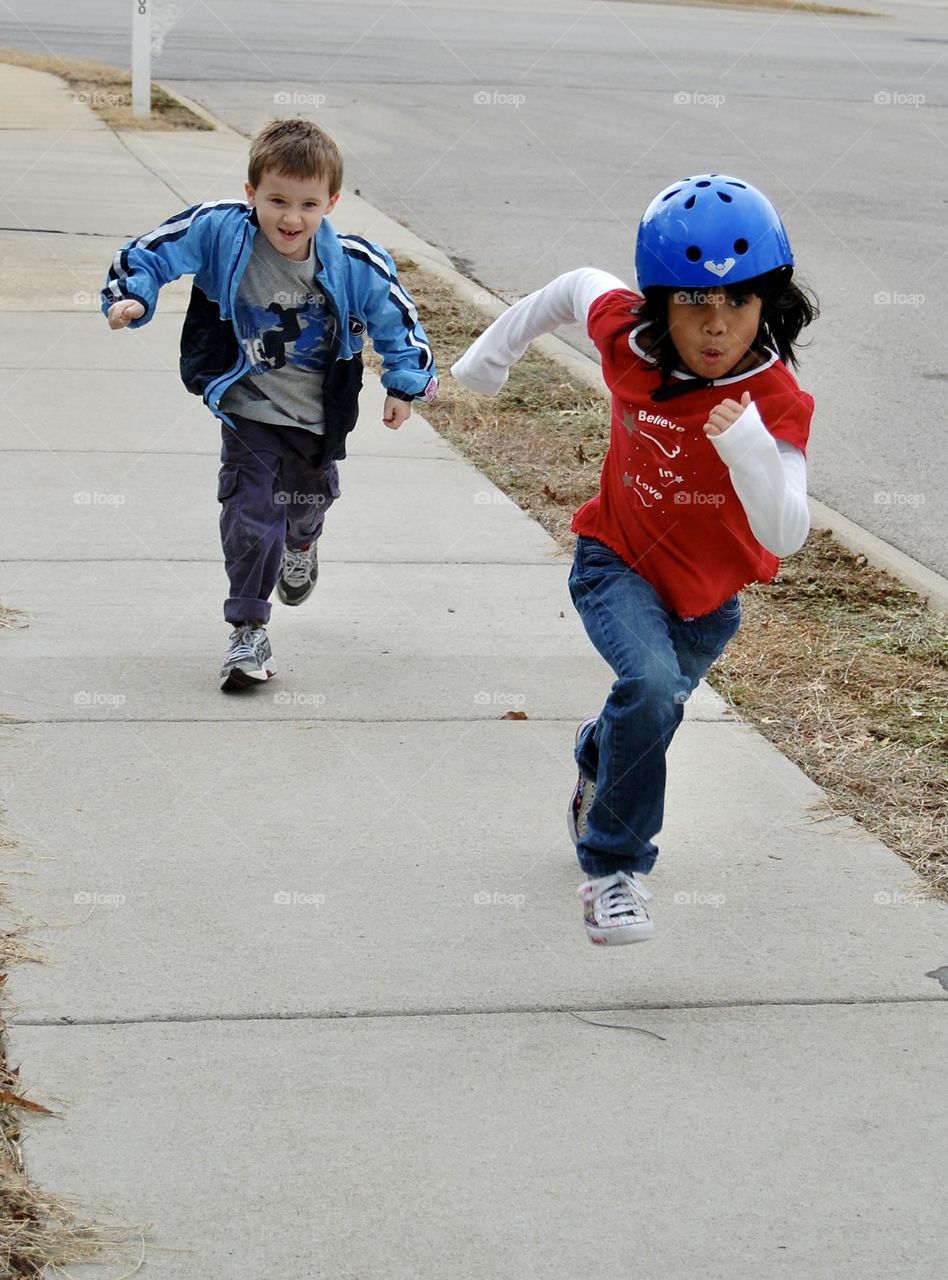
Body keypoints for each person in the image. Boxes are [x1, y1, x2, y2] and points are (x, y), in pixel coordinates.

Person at [452, 174, 817, 946]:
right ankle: (614, 871)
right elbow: (574, 287)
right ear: (660, 301)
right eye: (693, 302)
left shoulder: (773, 399)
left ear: (768, 302)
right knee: (649, 686)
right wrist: (492, 355)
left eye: (739, 303)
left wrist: (747, 445)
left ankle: (598, 749)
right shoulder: (628, 336)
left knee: (646, 713)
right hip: (614, 559)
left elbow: (786, 532)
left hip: (709, 598)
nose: (716, 327)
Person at [103, 118, 437, 690]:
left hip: (317, 416)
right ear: (251, 192)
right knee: (251, 512)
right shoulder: (219, 232)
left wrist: (404, 385)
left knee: (305, 505)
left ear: (331, 202)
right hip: (247, 408)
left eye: (308, 204)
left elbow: (395, 318)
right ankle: (248, 629)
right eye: (277, 200)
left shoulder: (355, 262)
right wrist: (134, 295)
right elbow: (152, 251)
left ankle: (302, 543)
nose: (290, 217)